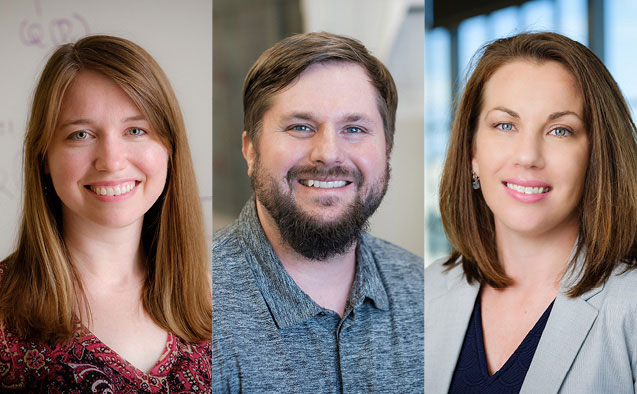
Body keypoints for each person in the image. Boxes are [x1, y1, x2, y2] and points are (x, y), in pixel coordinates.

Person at [425, 32, 637, 393]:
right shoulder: (426, 292)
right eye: (505, 125)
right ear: (472, 151)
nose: (527, 156)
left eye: (560, 130)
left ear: (596, 156)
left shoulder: (630, 305)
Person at [212, 32, 424, 392]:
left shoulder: (423, 290)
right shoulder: (193, 301)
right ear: (250, 151)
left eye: (354, 129)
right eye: (300, 127)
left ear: (386, 152)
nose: (328, 153)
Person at [0, 35, 212, 392]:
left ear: (170, 150)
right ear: (44, 157)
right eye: (80, 134)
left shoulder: (219, 299)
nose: (111, 161)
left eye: (135, 130)